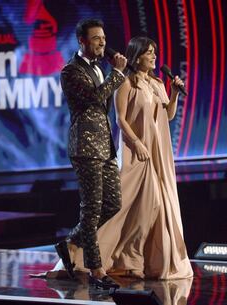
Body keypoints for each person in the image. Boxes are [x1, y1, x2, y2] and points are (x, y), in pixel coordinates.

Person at [51, 36, 193, 280]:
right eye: (149, 52)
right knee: (131, 207)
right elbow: (120, 120)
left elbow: (168, 116)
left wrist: (175, 93)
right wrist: (136, 143)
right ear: (137, 56)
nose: (154, 56)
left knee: (152, 208)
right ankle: (84, 254)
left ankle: (137, 262)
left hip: (157, 151)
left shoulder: (158, 83)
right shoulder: (126, 83)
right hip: (137, 152)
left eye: (154, 52)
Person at [55, 18, 127, 288]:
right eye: (97, 38)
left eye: (104, 38)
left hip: (105, 146)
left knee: (113, 204)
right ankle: (97, 271)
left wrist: (114, 74)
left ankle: (70, 241)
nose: (103, 42)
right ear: (82, 41)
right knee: (92, 209)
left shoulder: (100, 69)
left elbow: (104, 104)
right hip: (85, 148)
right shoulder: (70, 71)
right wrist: (116, 75)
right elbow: (95, 100)